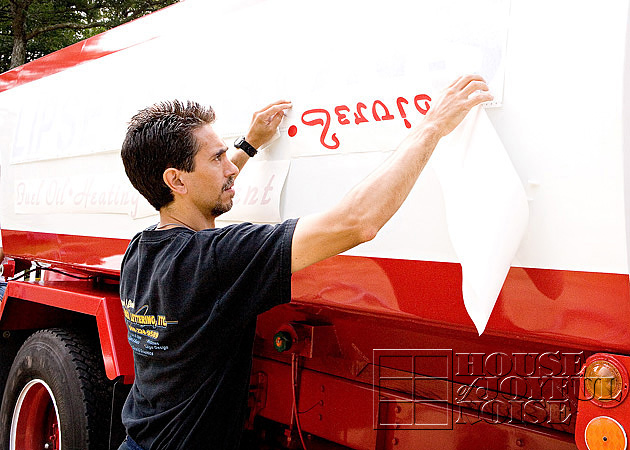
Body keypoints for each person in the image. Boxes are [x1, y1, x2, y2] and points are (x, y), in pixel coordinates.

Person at [118, 75, 492, 450]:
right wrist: (432, 125)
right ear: (176, 181)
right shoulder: (215, 260)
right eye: (216, 158)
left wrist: (248, 146)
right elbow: (357, 221)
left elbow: (199, 186)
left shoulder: (140, 252)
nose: (229, 168)